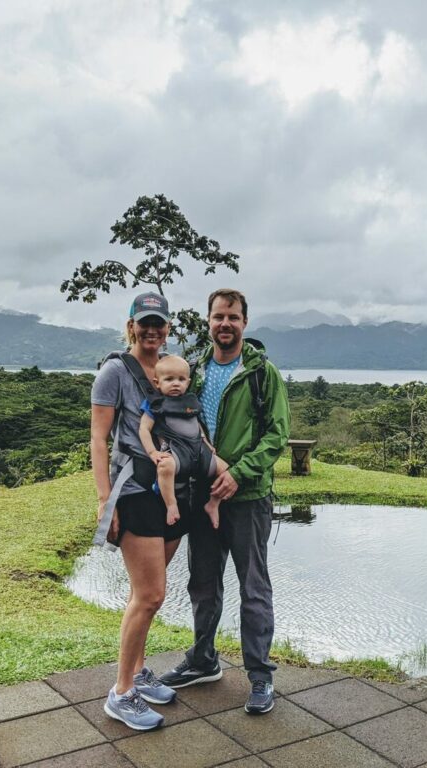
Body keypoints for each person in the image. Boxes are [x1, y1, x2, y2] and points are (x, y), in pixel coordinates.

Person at [158, 288, 291, 715]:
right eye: (218, 316)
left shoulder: (260, 372)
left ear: (245, 323)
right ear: (209, 321)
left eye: (233, 317)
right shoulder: (193, 372)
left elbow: (276, 435)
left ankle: (259, 677)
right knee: (202, 582)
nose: (225, 324)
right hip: (201, 495)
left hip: (247, 497)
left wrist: (238, 473)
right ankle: (203, 659)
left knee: (253, 587)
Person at [90, 292, 184, 731]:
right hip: (133, 489)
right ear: (131, 325)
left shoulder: (171, 370)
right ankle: (121, 692)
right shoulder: (114, 371)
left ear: (168, 328)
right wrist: (104, 502)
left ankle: (139, 671)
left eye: (159, 324)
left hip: (169, 492)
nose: (152, 331)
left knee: (147, 594)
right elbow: (99, 439)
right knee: (150, 596)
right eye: (144, 323)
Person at [137, 354, 230, 529]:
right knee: (165, 467)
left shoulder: (191, 401)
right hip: (177, 452)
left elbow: (196, 424)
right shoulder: (155, 404)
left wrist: (206, 442)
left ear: (187, 382)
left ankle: (213, 503)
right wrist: (152, 452)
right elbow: (144, 428)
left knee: (225, 470)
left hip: (200, 451)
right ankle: (171, 505)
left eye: (181, 379)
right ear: (157, 383)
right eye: (169, 379)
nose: (175, 383)